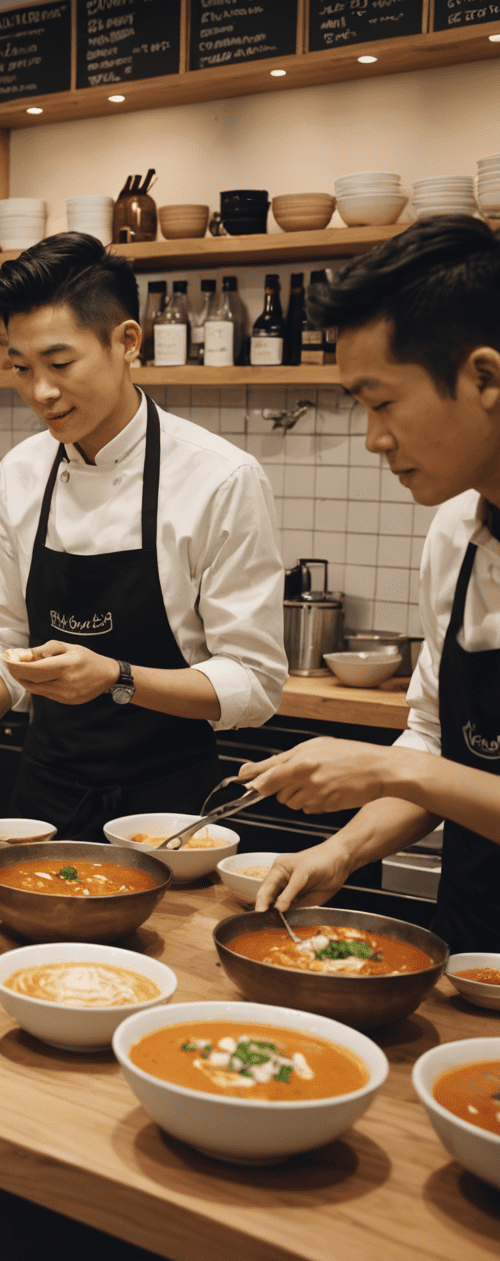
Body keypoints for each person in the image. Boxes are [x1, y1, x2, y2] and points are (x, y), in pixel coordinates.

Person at [0, 233, 287, 836]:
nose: (40, 392)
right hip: (43, 794)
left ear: (127, 341)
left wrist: (115, 677)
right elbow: (1, 641)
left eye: (60, 363)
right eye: (21, 369)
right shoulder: (23, 472)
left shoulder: (219, 477)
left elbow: (255, 682)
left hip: (170, 807)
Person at [242, 218, 500, 952]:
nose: (373, 438)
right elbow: (435, 743)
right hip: (473, 954)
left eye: (381, 401)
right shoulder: (456, 533)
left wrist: (388, 767)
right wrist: (340, 852)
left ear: (485, 376)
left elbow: (418, 768)